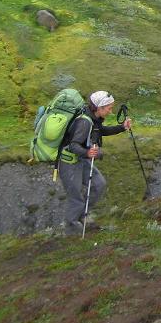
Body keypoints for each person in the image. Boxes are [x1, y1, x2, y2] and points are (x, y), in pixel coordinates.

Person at [57, 90, 131, 233]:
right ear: (99, 107)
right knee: (76, 197)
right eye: (109, 108)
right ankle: (73, 231)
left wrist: (122, 128)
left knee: (99, 184)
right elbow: (73, 145)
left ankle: (82, 217)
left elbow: (101, 130)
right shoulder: (85, 122)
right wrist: (87, 152)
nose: (110, 111)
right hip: (69, 162)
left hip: (81, 160)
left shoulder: (94, 119)